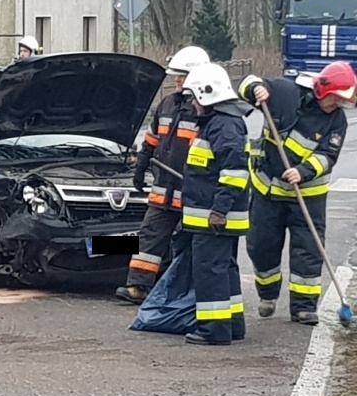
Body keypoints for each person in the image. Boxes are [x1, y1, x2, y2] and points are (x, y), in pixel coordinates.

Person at [237, 61, 356, 325]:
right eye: (336, 98)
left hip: (308, 195)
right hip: (267, 189)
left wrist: (303, 171)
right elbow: (245, 83)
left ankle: (303, 307)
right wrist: (255, 89)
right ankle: (267, 294)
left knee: (308, 250)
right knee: (262, 246)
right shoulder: (285, 92)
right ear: (323, 90)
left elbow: (328, 155)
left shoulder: (336, 121)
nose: (338, 104)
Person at [115, 45, 211, 305]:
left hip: (191, 192)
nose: (177, 80)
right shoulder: (167, 104)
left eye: (181, 75)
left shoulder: (205, 109)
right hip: (163, 190)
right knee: (149, 236)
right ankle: (137, 286)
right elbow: (152, 138)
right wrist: (142, 163)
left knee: (190, 244)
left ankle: (187, 291)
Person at [179, 62, 252, 345]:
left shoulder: (224, 126)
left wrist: (219, 210)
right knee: (225, 270)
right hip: (215, 216)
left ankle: (214, 329)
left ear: (205, 94)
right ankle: (232, 325)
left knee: (210, 271)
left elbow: (234, 173)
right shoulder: (220, 123)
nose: (192, 104)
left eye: (194, 97)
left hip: (215, 217)